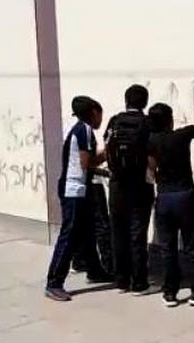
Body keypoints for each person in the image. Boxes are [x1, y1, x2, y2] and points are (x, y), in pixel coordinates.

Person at [147, 93, 194, 307]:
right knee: (192, 246)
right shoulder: (181, 135)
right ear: (169, 119)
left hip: (164, 197)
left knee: (168, 248)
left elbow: (151, 168)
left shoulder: (150, 141)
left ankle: (170, 293)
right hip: (185, 194)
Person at [45, 96, 111, 302]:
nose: (101, 118)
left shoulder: (81, 129)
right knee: (70, 235)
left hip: (81, 190)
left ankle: (95, 270)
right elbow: (85, 163)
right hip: (73, 191)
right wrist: (105, 159)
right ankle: (54, 282)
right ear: (93, 113)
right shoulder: (84, 130)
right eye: (100, 113)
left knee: (88, 231)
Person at [105, 85, 154, 293]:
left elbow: (107, 147)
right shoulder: (147, 123)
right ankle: (139, 281)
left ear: (126, 101)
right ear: (144, 102)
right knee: (137, 233)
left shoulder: (114, 121)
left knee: (118, 231)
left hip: (117, 185)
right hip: (140, 185)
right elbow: (152, 154)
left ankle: (121, 279)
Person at [71, 166, 114, 276]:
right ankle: (108, 266)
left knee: (83, 224)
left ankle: (81, 261)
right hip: (92, 183)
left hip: (79, 184)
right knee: (101, 225)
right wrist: (106, 172)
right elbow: (87, 163)